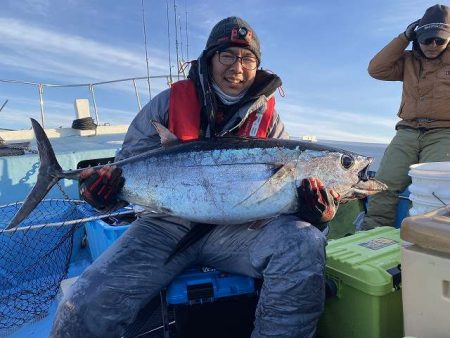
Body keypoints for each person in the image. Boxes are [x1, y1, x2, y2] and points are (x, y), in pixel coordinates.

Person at [51, 16, 339, 338]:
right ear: (209, 58)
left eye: (248, 59)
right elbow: (127, 165)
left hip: (241, 231)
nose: (237, 68)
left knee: (304, 241)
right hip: (163, 227)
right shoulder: (167, 103)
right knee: (82, 308)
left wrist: (314, 214)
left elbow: (285, 197)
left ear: (258, 66)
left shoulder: (270, 120)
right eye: (227, 55)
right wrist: (102, 193)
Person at [362, 4, 450, 230]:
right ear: (417, 36)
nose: (433, 45)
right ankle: (369, 236)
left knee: (434, 190)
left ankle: (424, 243)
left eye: (440, 40)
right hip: (408, 131)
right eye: (427, 39)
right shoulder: (407, 60)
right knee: (383, 185)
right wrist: (403, 37)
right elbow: (376, 69)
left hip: (444, 134)